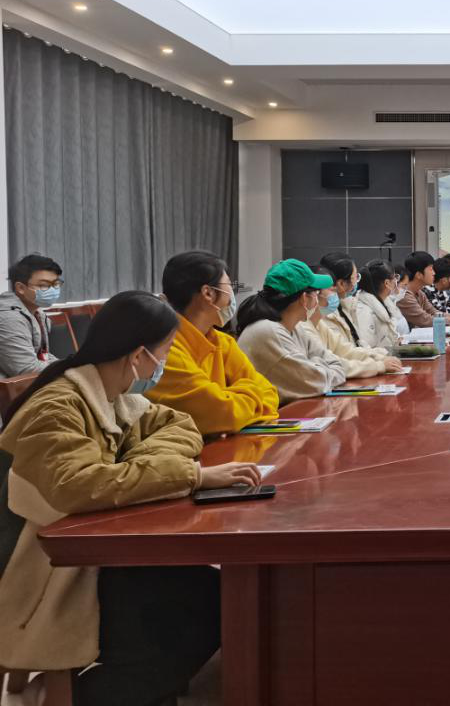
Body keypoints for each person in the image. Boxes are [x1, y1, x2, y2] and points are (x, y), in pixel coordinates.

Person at [0, 291, 261, 706]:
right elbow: (79, 485)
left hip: (91, 548)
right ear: (140, 355)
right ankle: (71, 697)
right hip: (49, 564)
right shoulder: (57, 406)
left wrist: (140, 466)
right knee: (203, 610)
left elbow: (180, 425)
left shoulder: (112, 393)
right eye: (165, 352)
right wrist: (190, 475)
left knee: (213, 597)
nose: (164, 363)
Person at [147, 250, 280, 435]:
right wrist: (247, 395)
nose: (232, 294)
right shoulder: (164, 349)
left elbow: (270, 393)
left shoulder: (223, 342)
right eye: (229, 285)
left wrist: (233, 399)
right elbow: (223, 414)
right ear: (208, 293)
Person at [236, 260, 346, 402]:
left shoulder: (295, 327)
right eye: (316, 292)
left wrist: (314, 365)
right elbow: (316, 383)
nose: (317, 298)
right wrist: (317, 365)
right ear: (304, 298)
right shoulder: (268, 331)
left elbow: (337, 366)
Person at [302, 266, 402, 379]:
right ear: (306, 297)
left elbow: (346, 350)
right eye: (331, 290)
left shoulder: (320, 324)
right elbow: (329, 363)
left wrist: (381, 357)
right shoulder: (304, 328)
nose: (335, 293)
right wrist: (378, 365)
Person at [0, 253, 63, 376]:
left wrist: (68, 365)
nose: (52, 290)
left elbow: (43, 355)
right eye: (44, 285)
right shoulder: (9, 318)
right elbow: (26, 368)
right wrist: (66, 370)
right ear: (21, 288)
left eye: (55, 284)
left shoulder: (37, 312)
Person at [395, 252, 450, 329]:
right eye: (430, 269)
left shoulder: (419, 293)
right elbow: (426, 320)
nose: (434, 273)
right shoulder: (404, 295)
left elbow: (435, 313)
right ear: (419, 275)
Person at [355, 260, 407, 351]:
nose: (396, 281)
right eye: (395, 277)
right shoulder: (363, 311)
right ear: (387, 283)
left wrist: (396, 342)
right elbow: (365, 349)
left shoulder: (385, 303)